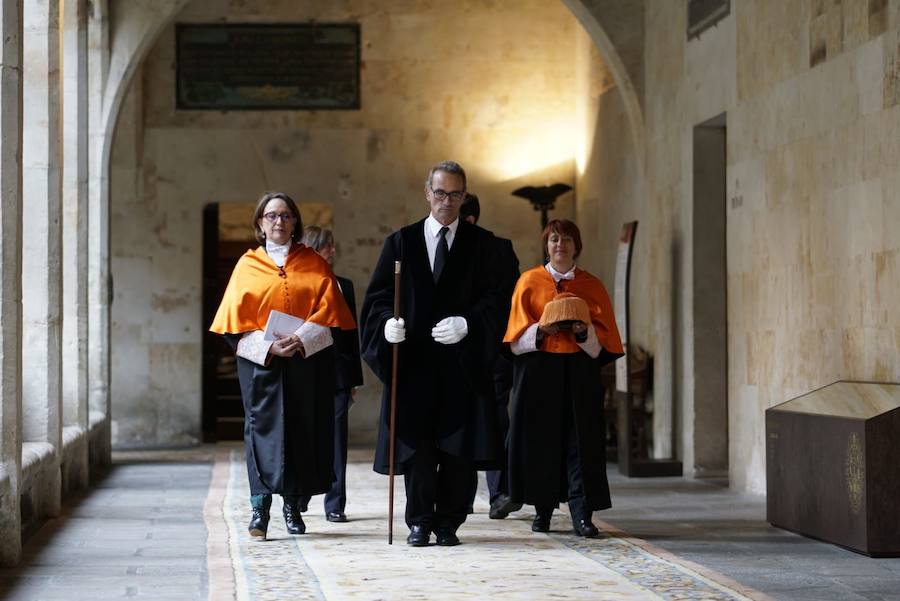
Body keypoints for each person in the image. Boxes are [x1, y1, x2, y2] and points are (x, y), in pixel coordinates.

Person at [360, 161, 511, 547]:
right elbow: (377, 300)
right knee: (420, 449)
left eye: (455, 194)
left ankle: (449, 522)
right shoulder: (401, 242)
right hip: (416, 366)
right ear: (427, 192)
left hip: (464, 367)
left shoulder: (486, 246)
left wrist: (471, 324)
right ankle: (420, 521)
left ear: (464, 196)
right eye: (440, 193)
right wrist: (386, 326)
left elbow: (501, 302)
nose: (447, 201)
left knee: (460, 450)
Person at [210, 192, 356, 540]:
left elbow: (332, 315)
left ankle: (293, 506)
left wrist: (302, 337)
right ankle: (259, 511)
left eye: (287, 216)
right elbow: (234, 324)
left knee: (301, 428)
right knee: (260, 429)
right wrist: (268, 344)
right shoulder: (247, 265)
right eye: (272, 216)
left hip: (305, 361)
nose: (279, 222)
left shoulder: (314, 263)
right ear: (260, 223)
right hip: (262, 363)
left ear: (295, 222)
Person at [503, 219, 624, 537]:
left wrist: (583, 332)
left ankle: (582, 514)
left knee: (580, 443)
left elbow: (603, 347)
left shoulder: (592, 285)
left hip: (579, 372)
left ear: (577, 245)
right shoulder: (529, 281)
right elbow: (514, 342)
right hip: (539, 372)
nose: (561, 244)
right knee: (541, 442)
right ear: (546, 244)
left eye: (567, 239)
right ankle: (542, 512)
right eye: (554, 238)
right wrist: (542, 330)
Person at [459, 193, 522, 520]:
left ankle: (496, 493)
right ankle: (474, 495)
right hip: (467, 354)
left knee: (492, 421)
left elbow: (513, 302)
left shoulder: (497, 249)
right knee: (473, 421)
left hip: (491, 353)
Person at [297, 225, 364, 523]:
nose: (333, 251)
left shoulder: (344, 285)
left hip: (337, 375)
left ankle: (335, 503)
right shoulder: (296, 285)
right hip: (306, 372)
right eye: (328, 247)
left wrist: (353, 380)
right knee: (304, 436)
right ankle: (299, 494)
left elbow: (351, 336)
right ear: (313, 249)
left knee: (337, 440)